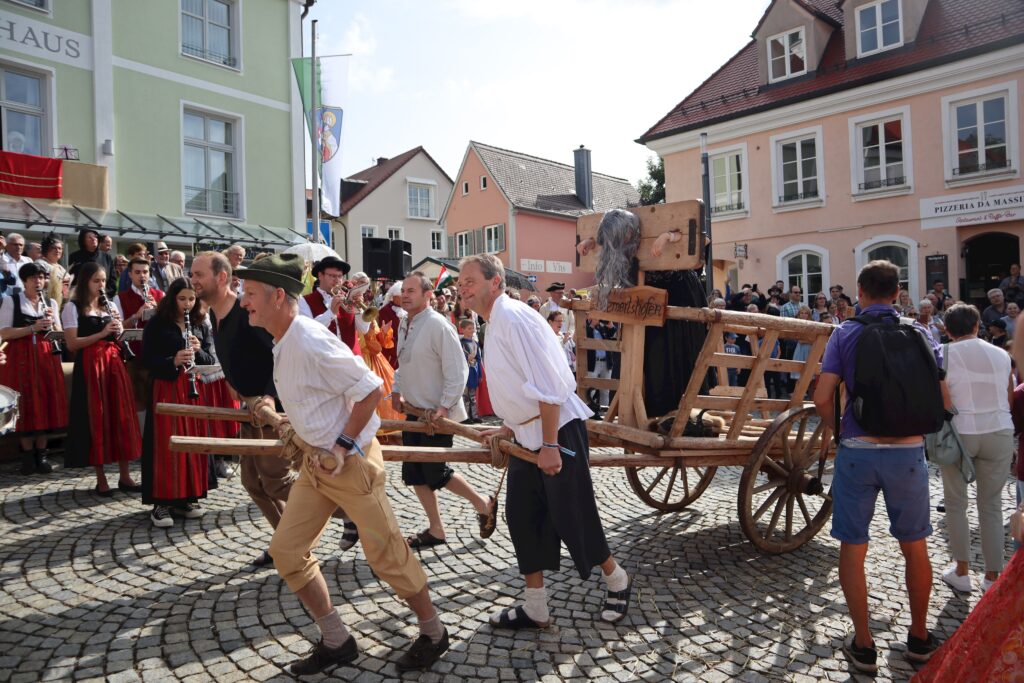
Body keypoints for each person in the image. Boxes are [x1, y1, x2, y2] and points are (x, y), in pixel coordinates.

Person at [238, 254, 450, 674]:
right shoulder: (287, 337)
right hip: (317, 466)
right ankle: (337, 640)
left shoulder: (309, 340)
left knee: (386, 553)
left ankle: (434, 632)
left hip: (347, 464)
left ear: (279, 296)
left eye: (250, 294)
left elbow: (370, 388)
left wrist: (341, 445)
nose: (244, 302)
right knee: (286, 552)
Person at [459, 252, 631, 629]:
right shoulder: (495, 320)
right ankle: (536, 607)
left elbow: (550, 385)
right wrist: (510, 426)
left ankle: (618, 580)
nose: (461, 288)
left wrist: (550, 445)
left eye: (469, 280)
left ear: (494, 282)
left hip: (556, 431)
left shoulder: (514, 317)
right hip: (528, 432)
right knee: (522, 516)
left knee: (573, 514)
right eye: (460, 283)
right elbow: (519, 382)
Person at [812, 260, 942, 673]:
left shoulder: (846, 333)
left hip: (859, 449)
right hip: (907, 453)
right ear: (898, 292)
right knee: (915, 545)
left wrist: (841, 430)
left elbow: (822, 397)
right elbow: (943, 395)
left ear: (861, 292)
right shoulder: (922, 333)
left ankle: (864, 644)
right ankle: (919, 637)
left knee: (854, 546)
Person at [190, 252, 358, 565]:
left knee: (276, 480)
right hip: (250, 408)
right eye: (192, 274)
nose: (193, 280)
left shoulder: (246, 313)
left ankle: (350, 513)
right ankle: (286, 544)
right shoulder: (215, 314)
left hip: (272, 408)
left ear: (222, 277)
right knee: (252, 483)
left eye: (199, 274)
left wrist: (268, 395)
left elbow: (279, 352)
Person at [392, 272, 497, 548]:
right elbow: (402, 362)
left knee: (436, 473)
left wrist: (444, 406)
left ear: (428, 295)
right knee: (415, 473)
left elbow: (457, 369)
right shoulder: (405, 323)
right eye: (404, 290)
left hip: (436, 416)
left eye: (411, 290)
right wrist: (396, 389)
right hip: (414, 411)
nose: (405, 294)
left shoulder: (438, 325)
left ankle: (483, 503)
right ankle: (436, 529)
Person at [577, 208, 710, 417]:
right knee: (644, 357)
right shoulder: (618, 248)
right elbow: (604, 243)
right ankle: (640, 413)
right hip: (644, 306)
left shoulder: (661, 239)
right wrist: (590, 243)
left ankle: (677, 413)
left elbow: (704, 240)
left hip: (679, 296)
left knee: (669, 359)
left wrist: (668, 236)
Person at [936, 303, 1014, 595]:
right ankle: (993, 576)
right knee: (991, 505)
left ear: (947, 329)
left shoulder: (943, 353)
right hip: (999, 428)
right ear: (977, 325)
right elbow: (1008, 395)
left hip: (961, 431)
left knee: (956, 503)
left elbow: (940, 396)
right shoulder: (1002, 354)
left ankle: (962, 570)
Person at [141, 277, 217, 527]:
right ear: (172, 298)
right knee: (166, 443)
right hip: (166, 388)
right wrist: (172, 361)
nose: (187, 304)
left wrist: (198, 351)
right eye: (182, 298)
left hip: (193, 390)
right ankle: (161, 503)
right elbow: (147, 361)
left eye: (191, 299)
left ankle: (187, 496)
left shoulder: (199, 324)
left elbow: (209, 358)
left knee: (192, 442)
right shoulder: (157, 324)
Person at [61, 262, 142, 496]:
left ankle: (125, 476)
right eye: (96, 281)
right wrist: (102, 333)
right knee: (97, 415)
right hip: (91, 365)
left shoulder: (108, 306)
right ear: (85, 282)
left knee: (121, 415)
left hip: (114, 362)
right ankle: (101, 478)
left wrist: (119, 328)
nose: (101, 285)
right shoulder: (73, 308)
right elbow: (73, 344)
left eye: (104, 280)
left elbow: (118, 336)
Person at [0, 262, 67, 475]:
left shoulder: (51, 304)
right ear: (25, 280)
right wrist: (32, 328)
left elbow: (60, 333)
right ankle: (27, 457)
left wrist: (52, 325)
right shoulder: (12, 301)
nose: (38, 282)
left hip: (46, 358)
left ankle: (42, 454)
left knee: (46, 403)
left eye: (41, 278)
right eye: (34, 278)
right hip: (21, 360)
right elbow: (4, 333)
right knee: (26, 405)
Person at [298, 256, 369, 354]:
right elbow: (307, 332)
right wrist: (330, 313)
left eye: (340, 276)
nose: (337, 280)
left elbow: (364, 329)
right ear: (320, 275)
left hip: (351, 362)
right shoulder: (304, 301)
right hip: (324, 363)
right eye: (332, 276)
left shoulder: (348, 298)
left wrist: (360, 308)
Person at [67, 229, 115, 296]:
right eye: (89, 237)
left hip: (103, 298)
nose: (94, 239)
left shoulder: (107, 257)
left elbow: (112, 280)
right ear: (83, 241)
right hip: (81, 298)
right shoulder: (74, 257)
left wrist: (105, 295)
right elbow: (72, 279)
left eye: (95, 236)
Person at [458, 318, 482, 423]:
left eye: (473, 328)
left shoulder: (475, 343)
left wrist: (480, 374)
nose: (472, 330)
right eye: (469, 328)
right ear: (462, 330)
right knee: (465, 396)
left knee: (472, 396)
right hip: (464, 372)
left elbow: (479, 359)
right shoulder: (460, 343)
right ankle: (465, 416)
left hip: (473, 372)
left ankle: (474, 415)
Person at [377, 281, 404, 369]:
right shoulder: (385, 311)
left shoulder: (407, 309)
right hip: (392, 351)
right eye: (401, 297)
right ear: (394, 297)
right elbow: (386, 335)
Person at [40, 233, 68, 310]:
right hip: (46, 304)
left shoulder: (61, 268)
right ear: (46, 249)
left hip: (62, 305)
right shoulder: (40, 264)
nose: (57, 250)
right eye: (54, 248)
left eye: (60, 248)